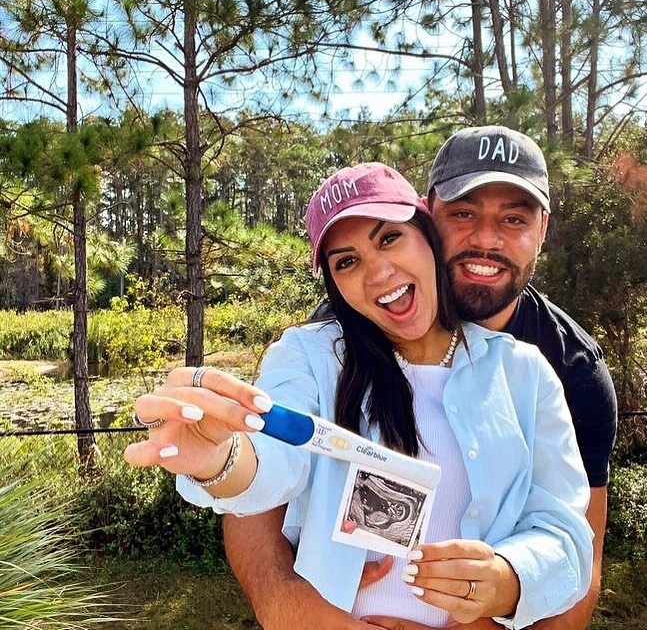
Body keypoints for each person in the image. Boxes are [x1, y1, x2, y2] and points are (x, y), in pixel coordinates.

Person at [125, 161, 594, 629]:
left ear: (426, 238)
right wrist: (219, 457)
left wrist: (506, 579)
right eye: (347, 261)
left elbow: (566, 534)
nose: (379, 273)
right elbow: (275, 453)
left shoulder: (523, 372)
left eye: (389, 237)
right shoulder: (311, 357)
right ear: (334, 283)